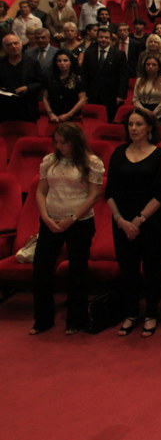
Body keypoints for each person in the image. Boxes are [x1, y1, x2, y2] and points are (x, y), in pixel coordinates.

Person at [30, 123, 104, 335]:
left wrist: (72, 218)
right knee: (42, 269)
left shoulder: (91, 162)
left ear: (75, 142)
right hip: (50, 219)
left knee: (77, 271)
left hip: (79, 222)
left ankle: (76, 319)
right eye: (58, 142)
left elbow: (94, 195)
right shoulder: (49, 161)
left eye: (64, 142)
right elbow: (41, 192)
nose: (60, 146)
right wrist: (45, 216)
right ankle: (42, 320)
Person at [105, 109, 161, 338]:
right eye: (130, 124)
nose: (133, 128)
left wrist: (138, 220)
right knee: (128, 271)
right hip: (122, 223)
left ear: (150, 128)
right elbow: (110, 192)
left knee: (152, 272)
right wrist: (121, 221)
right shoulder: (118, 153)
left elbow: (159, 194)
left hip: (150, 223)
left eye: (138, 124)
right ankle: (131, 313)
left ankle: (151, 314)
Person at [0, 33, 44, 122]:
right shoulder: (1, 63)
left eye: (16, 43)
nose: (13, 46)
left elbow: (41, 82)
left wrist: (28, 88)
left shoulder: (32, 62)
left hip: (27, 107)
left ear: (21, 44)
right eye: (9, 45)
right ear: (4, 47)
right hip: (6, 108)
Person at [42, 50, 86, 125]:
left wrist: (68, 115)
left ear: (71, 62)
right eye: (59, 61)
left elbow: (82, 99)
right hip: (54, 117)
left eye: (65, 60)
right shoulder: (51, 78)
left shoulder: (77, 78)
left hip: (73, 118)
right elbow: (45, 98)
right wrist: (51, 114)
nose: (62, 63)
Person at [132, 55, 161, 122]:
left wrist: (153, 113)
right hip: (141, 111)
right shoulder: (139, 80)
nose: (150, 67)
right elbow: (135, 99)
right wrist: (144, 112)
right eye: (148, 64)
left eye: (154, 65)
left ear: (159, 67)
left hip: (158, 113)